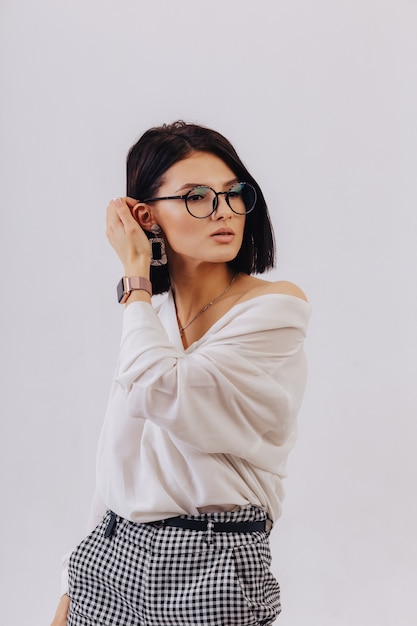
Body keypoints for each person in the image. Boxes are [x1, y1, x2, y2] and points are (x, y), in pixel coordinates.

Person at [51, 121, 311, 626]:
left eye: (234, 194)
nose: (225, 212)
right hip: (110, 559)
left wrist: (135, 279)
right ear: (145, 215)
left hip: (212, 565)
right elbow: (116, 465)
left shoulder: (276, 309)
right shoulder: (151, 318)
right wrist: (68, 594)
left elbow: (161, 390)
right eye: (196, 197)